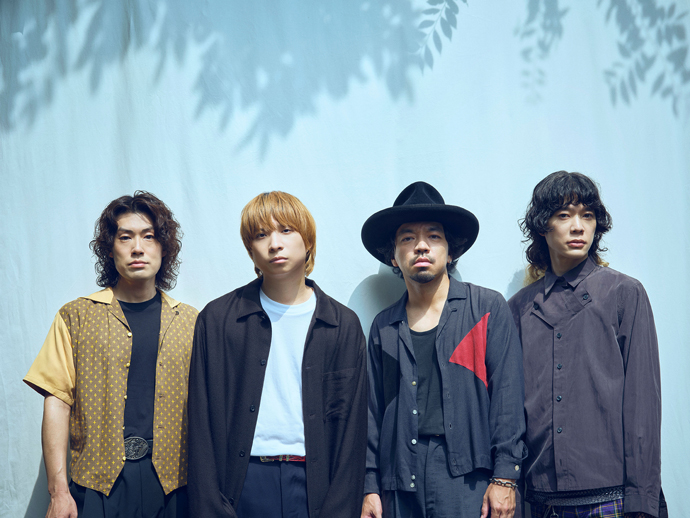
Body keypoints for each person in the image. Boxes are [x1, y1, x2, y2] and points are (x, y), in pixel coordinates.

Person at [187, 191, 368, 518]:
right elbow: (200, 425)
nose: (274, 244)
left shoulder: (342, 325)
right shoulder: (218, 320)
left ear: (308, 241)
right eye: (261, 235)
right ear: (250, 250)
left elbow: (352, 434)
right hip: (242, 485)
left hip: (315, 486)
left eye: (286, 230)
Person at [24, 192, 198, 518]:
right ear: (109, 248)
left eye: (149, 236)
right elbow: (57, 403)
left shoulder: (191, 322)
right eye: (125, 237)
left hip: (174, 487)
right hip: (96, 486)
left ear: (164, 247)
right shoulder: (75, 316)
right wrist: (58, 492)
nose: (137, 248)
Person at [360, 181, 527, 518]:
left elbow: (507, 398)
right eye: (408, 238)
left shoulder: (486, 308)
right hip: (399, 481)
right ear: (393, 256)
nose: (421, 246)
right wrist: (370, 486)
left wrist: (505, 477)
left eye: (433, 236)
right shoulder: (384, 326)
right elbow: (372, 413)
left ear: (450, 252)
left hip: (469, 480)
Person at [508, 171, 662, 518]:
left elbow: (643, 406)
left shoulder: (624, 294)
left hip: (611, 498)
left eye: (587, 216)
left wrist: (642, 501)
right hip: (541, 500)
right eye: (564, 215)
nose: (578, 227)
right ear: (543, 226)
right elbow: (511, 412)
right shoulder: (518, 309)